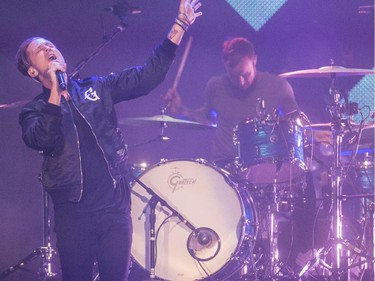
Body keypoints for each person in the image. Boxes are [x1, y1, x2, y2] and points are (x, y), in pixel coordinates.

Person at [16, 1, 202, 281]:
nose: (49, 49)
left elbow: (146, 76)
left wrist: (180, 26)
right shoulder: (34, 110)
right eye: (40, 50)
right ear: (32, 71)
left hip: (114, 208)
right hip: (74, 214)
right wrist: (55, 89)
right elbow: (40, 138)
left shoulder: (96, 87)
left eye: (51, 45)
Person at [162, 37, 316, 277]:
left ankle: (302, 254)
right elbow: (210, 118)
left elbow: (296, 123)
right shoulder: (215, 86)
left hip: (267, 163)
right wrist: (181, 110)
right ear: (225, 68)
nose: (242, 81)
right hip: (226, 168)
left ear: (255, 61)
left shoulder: (278, 87)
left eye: (246, 74)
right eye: (236, 77)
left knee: (308, 185)